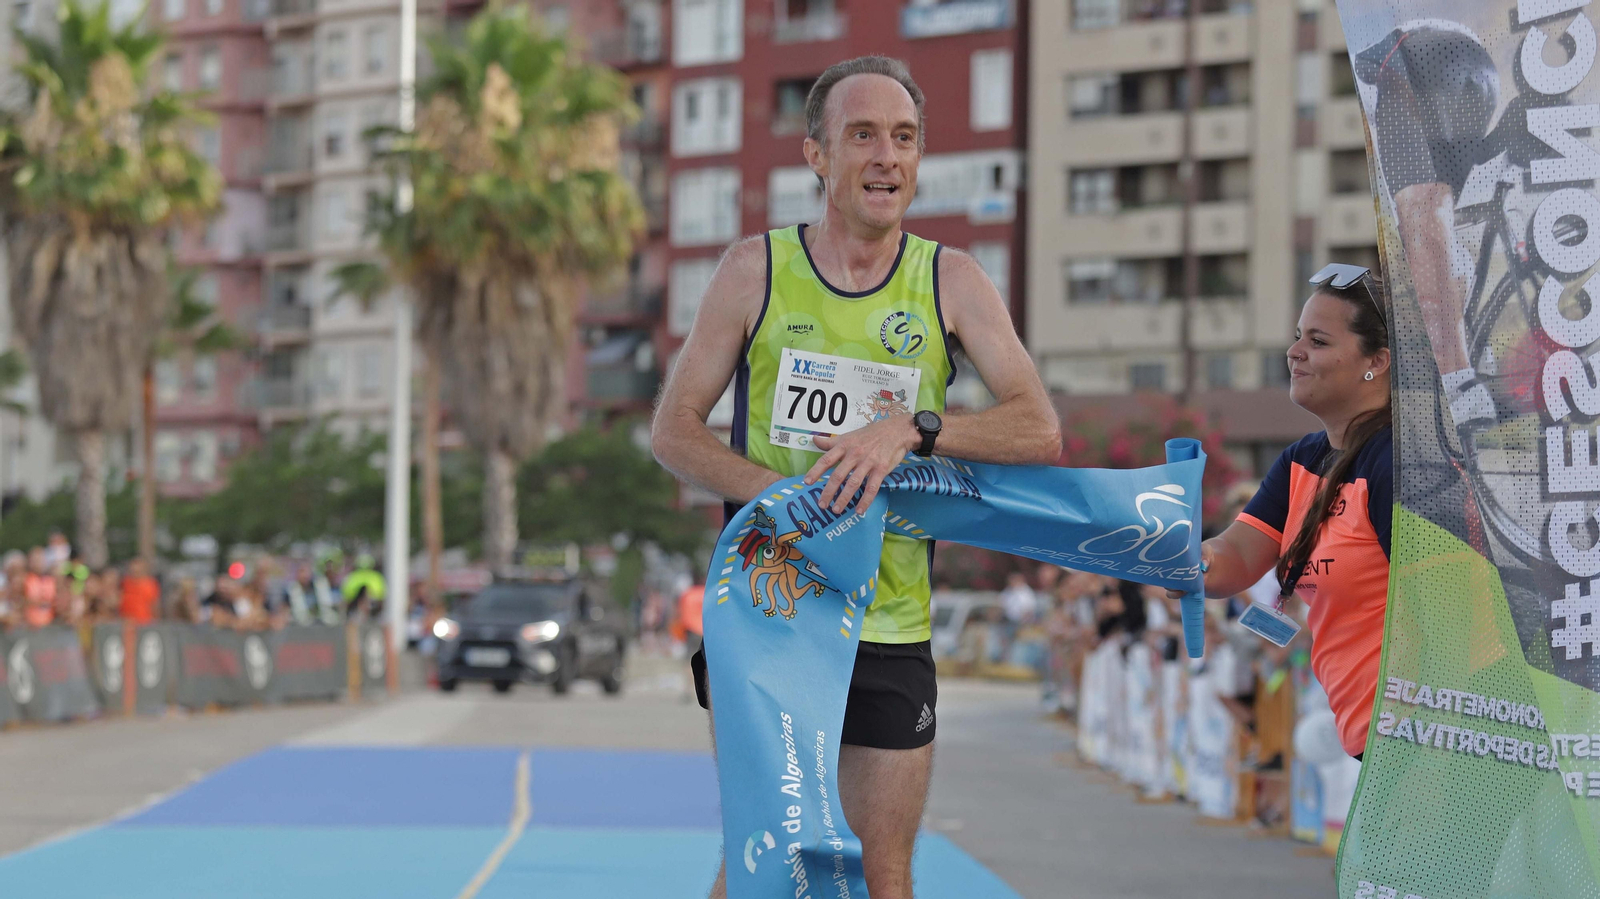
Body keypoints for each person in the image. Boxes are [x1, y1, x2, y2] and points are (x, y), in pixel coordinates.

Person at [650, 55, 1061, 899]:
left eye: (904, 138)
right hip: (770, 610)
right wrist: (785, 501)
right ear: (817, 155)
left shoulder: (951, 279)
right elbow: (673, 430)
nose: (886, 157)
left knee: (884, 872)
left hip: (891, 617)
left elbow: (1038, 428)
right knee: (767, 861)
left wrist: (913, 426)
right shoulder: (754, 270)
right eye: (863, 135)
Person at [1173, 263, 1392, 761]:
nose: (1294, 352)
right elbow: (1234, 558)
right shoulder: (1302, 459)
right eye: (1298, 337)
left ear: (1376, 361)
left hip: (1427, 736)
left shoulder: (1398, 463)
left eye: (1318, 341)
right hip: (1375, 738)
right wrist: (1175, 557)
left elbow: (1448, 612)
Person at [1354, 22, 1498, 431]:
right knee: (1435, 223)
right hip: (1474, 73)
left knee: (1423, 223)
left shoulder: (1381, 81)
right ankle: (1465, 366)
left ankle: (1459, 377)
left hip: (1415, 65)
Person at [121, 558, 160, 626]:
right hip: (127, 623)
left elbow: (155, 605)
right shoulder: (125, 583)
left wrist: (156, 623)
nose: (135, 570)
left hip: (145, 623)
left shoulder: (151, 584)